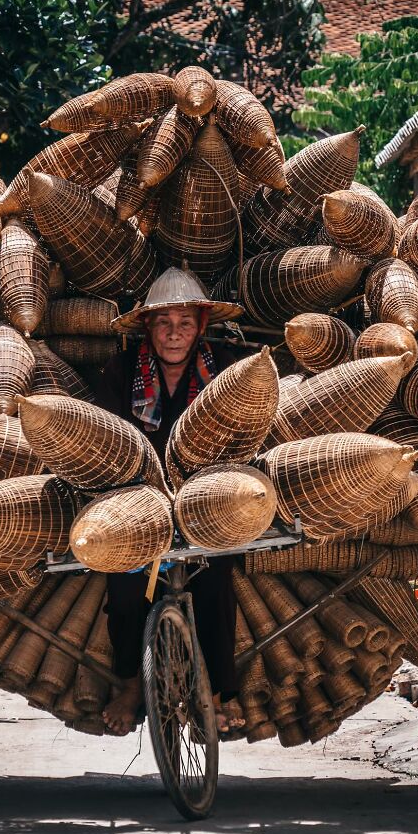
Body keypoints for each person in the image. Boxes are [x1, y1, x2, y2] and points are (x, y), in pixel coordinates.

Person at [95, 265, 246, 737]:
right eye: (164, 324)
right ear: (147, 328)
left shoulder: (225, 366)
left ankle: (221, 691)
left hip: (209, 500)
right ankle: (131, 685)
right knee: (122, 589)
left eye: (184, 324)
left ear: (201, 326)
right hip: (139, 503)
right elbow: (105, 439)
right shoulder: (119, 373)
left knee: (216, 583)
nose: (174, 334)